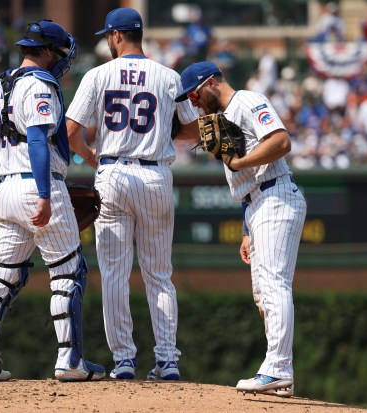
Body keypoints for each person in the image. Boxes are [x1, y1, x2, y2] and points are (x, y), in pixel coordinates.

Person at [0, 19, 105, 383]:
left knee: (4, 276)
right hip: (37, 185)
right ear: (47, 51)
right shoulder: (38, 84)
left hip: (8, 187)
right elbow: (36, 139)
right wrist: (47, 195)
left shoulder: (5, 84)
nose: (62, 59)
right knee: (69, 272)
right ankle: (70, 361)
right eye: (59, 53)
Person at [66, 8, 199, 381]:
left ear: (117, 36)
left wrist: (90, 157)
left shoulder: (98, 74)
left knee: (114, 274)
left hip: (112, 172)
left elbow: (71, 129)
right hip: (156, 175)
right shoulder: (169, 76)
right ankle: (168, 360)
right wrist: (159, 133)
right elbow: (193, 131)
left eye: (109, 36)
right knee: (159, 275)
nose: (109, 41)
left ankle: (124, 360)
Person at [176, 61, 306, 396]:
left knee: (274, 284)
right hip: (257, 202)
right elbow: (246, 182)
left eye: (193, 95)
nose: (193, 102)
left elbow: (281, 141)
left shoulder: (247, 101)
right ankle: (281, 374)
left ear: (210, 84)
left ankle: (277, 367)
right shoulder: (222, 115)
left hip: (276, 195)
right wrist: (247, 228)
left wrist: (239, 162)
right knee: (263, 294)